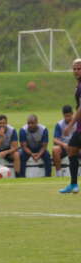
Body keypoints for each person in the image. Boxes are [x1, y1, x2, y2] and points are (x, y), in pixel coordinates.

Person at [59, 58, 81, 193]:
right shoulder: (78, 84)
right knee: (72, 150)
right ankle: (73, 185)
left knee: (72, 149)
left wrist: (70, 124)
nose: (76, 71)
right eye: (74, 69)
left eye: (79, 68)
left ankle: (73, 184)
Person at [0, 114, 20, 178]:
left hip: (8, 150)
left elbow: (15, 147)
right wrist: (1, 138)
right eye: (0, 123)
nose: (2, 125)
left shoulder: (12, 130)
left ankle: (17, 176)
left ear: (7, 123)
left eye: (4, 123)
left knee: (16, 154)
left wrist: (6, 152)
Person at [53, 104, 75, 173]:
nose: (67, 118)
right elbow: (55, 139)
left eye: (69, 116)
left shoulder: (78, 123)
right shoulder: (59, 124)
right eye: (66, 116)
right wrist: (63, 144)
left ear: (72, 114)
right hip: (64, 148)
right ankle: (58, 173)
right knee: (55, 149)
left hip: (75, 147)